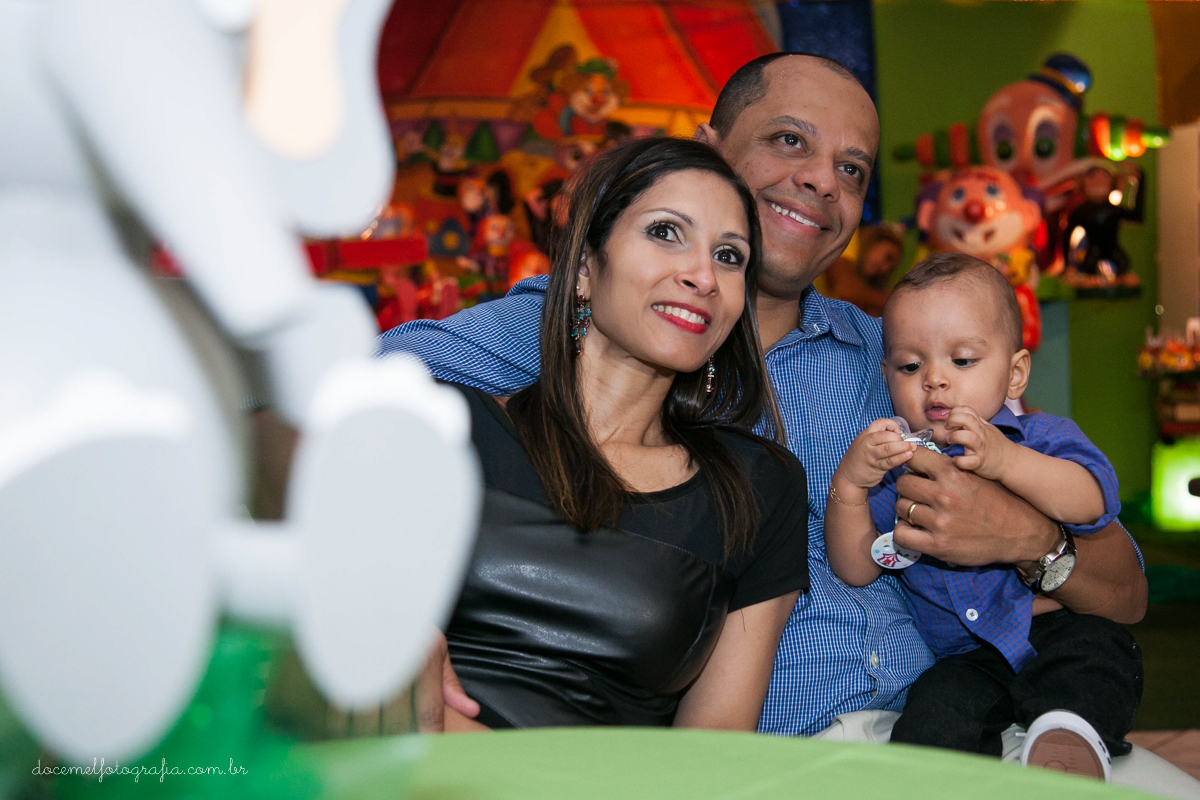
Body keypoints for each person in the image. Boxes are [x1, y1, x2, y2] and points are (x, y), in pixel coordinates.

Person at [384, 53, 1145, 741]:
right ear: (709, 148)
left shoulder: (905, 358)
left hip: (942, 715)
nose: (822, 179)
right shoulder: (586, 318)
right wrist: (375, 613)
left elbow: (1127, 594)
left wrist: (1029, 540)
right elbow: (331, 405)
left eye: (852, 170)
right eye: (790, 140)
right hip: (771, 746)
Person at [438, 137, 808, 731]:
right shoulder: (445, 429)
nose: (703, 276)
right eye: (665, 232)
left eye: (730, 256)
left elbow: (711, 754)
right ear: (585, 266)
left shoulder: (759, 487)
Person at [824, 253, 1141, 779]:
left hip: (1056, 627)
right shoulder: (899, 467)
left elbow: (1093, 501)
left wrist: (1006, 460)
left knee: (1098, 661)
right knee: (933, 716)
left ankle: (1066, 745)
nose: (935, 381)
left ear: (1015, 373)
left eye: (963, 360)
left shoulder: (1038, 438)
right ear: (886, 378)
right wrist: (850, 488)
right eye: (910, 366)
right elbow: (857, 567)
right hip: (964, 657)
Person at [824, 224, 903, 316]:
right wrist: (889, 300)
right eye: (888, 257)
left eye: (891, 269)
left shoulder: (860, 288)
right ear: (875, 240)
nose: (885, 269)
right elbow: (843, 287)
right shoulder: (849, 234)